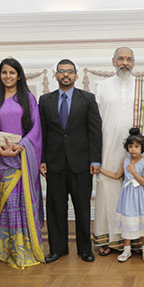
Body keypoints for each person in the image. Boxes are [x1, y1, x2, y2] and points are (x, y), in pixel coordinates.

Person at [93, 47, 144, 255]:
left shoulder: (143, 86)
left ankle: (136, 241)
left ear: (134, 62)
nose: (125, 62)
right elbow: (94, 124)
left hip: (136, 153)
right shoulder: (101, 87)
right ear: (113, 61)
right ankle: (108, 239)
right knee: (108, 192)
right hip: (108, 150)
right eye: (121, 58)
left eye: (129, 59)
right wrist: (94, 157)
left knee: (135, 194)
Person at [0, 58, 45, 269]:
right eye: (4, 72)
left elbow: (36, 128)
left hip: (22, 158)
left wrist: (22, 146)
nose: (7, 76)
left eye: (12, 72)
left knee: (24, 205)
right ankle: (10, 250)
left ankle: (26, 249)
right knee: (9, 206)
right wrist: (0, 149)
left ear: (19, 75)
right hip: (0, 160)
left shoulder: (28, 98)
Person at [39, 59, 102, 263]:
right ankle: (58, 249)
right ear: (55, 75)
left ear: (75, 75)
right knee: (56, 208)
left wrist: (95, 160)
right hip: (54, 163)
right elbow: (42, 132)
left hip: (81, 163)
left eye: (69, 71)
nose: (65, 75)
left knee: (82, 207)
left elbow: (95, 131)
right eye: (61, 71)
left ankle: (85, 249)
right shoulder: (45, 100)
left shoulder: (88, 99)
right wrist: (42, 160)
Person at [100, 128, 144, 263]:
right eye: (131, 146)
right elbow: (116, 175)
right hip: (128, 196)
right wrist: (101, 170)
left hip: (142, 196)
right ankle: (127, 250)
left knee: (143, 221)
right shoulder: (125, 160)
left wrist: (133, 171)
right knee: (127, 221)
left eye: (136, 146)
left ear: (142, 148)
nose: (133, 149)